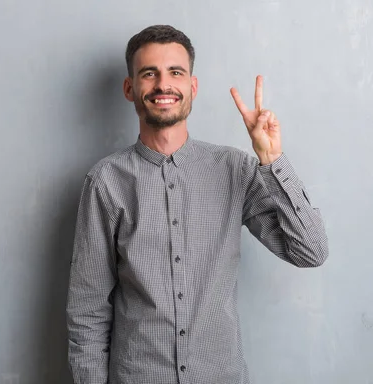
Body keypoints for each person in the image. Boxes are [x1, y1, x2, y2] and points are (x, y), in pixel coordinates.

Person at [65, 24, 328, 384]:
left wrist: (273, 161)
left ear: (193, 86)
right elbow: (87, 312)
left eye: (176, 72)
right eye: (149, 73)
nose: (163, 85)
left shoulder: (236, 170)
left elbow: (311, 252)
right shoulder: (106, 182)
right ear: (130, 88)